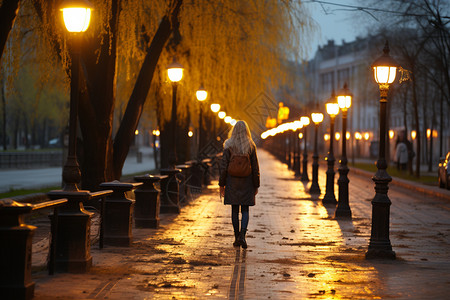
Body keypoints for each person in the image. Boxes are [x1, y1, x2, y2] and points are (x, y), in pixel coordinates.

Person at [219, 120, 260, 249]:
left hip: (232, 182)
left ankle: (237, 237)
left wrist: (222, 184)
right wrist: (256, 185)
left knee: (235, 210)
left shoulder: (229, 145)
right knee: (246, 210)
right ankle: (243, 236)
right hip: (247, 182)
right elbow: (255, 167)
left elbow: (224, 166)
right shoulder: (251, 145)